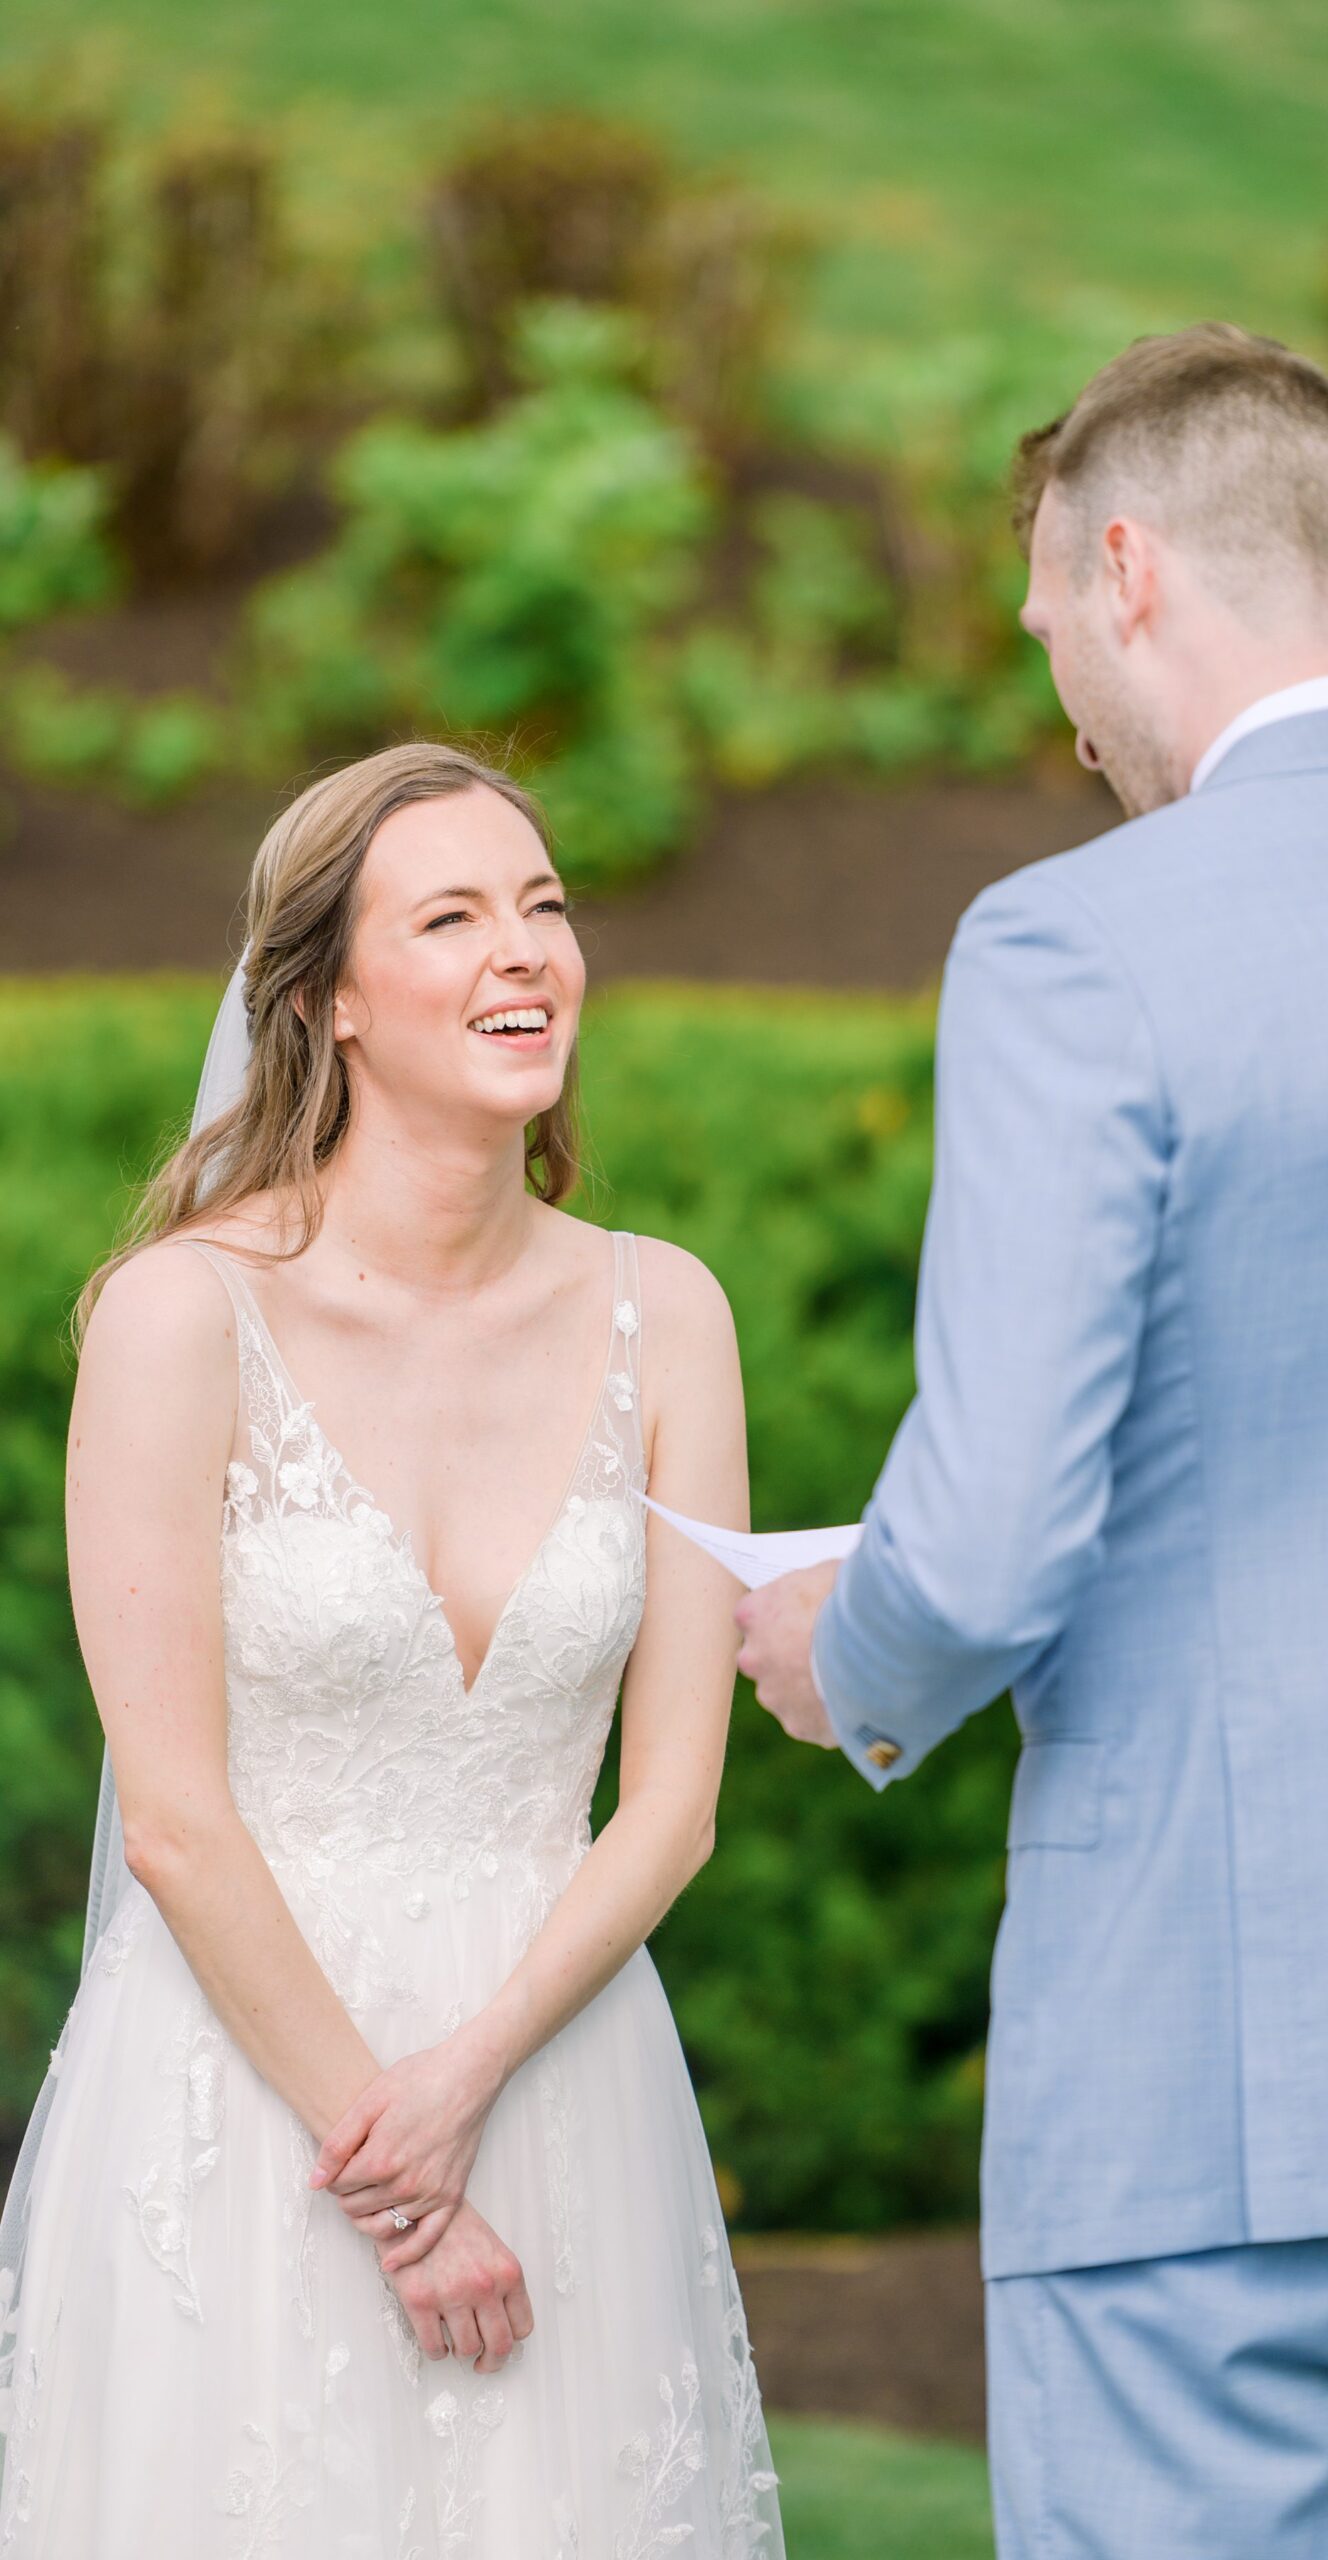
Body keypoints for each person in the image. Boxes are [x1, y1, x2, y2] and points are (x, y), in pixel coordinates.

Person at [734, 321, 1328, 2558]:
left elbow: (975, 1550)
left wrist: (838, 1657)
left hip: (1209, 2052)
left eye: (1049, 625)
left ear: (1129, 570)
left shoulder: (1079, 941)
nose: (1062, 705)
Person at [0, 742, 784, 2555]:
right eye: (452, 919)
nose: (525, 954)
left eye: (545, 909)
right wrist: (400, 2172)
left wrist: (473, 2076)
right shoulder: (178, 1319)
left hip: (559, 2074)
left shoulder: (665, 1315)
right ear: (333, 1000)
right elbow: (176, 1822)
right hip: (249, 2095)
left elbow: (669, 1807)